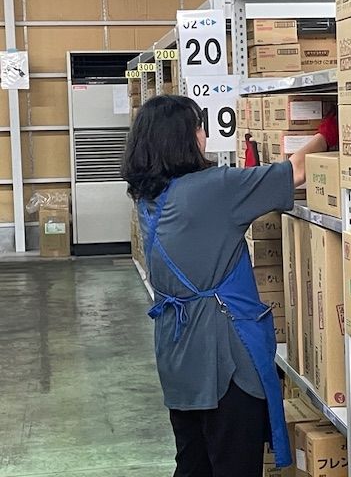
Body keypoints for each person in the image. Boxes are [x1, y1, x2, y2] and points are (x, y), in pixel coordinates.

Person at [121, 95, 338, 477]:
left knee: (193, 463)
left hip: (179, 356)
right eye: (199, 127)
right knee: (234, 464)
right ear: (184, 138)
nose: (204, 134)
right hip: (224, 361)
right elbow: (295, 171)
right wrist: (326, 134)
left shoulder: (149, 195)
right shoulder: (212, 189)